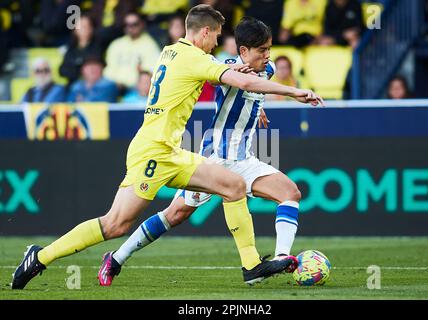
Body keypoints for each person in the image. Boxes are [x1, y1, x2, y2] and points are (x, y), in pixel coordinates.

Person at [11, 4, 322, 290]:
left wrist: (241, 83)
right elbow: (241, 82)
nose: (215, 42)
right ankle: (41, 256)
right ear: (204, 32)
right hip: (154, 152)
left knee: (233, 185)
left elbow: (230, 76)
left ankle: (252, 266)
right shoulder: (196, 58)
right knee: (115, 223)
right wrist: (294, 91)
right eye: (214, 36)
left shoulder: (171, 51)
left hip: (170, 150)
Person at [98, 17, 311, 287]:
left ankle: (282, 258)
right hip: (216, 159)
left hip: (244, 159)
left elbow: (253, 92)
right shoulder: (229, 68)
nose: (268, 55)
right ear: (243, 52)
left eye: (269, 48)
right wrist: (294, 92)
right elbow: (240, 84)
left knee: (290, 193)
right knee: (175, 214)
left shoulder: (267, 69)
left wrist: (258, 109)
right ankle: (116, 259)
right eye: (262, 50)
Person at [103, 12, 161, 89]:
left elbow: (151, 72)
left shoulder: (150, 45)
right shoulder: (116, 44)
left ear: (142, 24)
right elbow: (109, 69)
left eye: (135, 24)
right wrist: (115, 83)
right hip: (114, 85)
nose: (131, 28)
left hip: (135, 87)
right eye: (127, 25)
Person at [59, 14, 102, 86]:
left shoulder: (97, 47)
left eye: (85, 26)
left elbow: (93, 70)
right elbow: (62, 70)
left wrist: (75, 65)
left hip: (92, 85)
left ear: (91, 29)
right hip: (72, 85)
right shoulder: (71, 48)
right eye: (80, 26)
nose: (83, 29)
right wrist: (80, 66)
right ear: (75, 30)